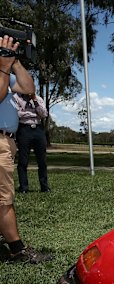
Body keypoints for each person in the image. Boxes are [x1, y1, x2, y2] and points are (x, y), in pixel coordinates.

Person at [0, 35, 52, 263]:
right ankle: (17, 250)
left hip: (8, 140)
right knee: (4, 198)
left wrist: (16, 62)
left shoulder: (6, 73)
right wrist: (3, 67)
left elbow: (29, 87)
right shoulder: (1, 73)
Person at [13, 92, 50, 193]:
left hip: (38, 129)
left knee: (42, 160)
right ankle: (24, 187)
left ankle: (44, 187)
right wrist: (34, 114)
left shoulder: (38, 98)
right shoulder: (16, 98)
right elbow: (16, 113)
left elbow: (44, 114)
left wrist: (35, 101)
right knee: (23, 160)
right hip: (24, 129)